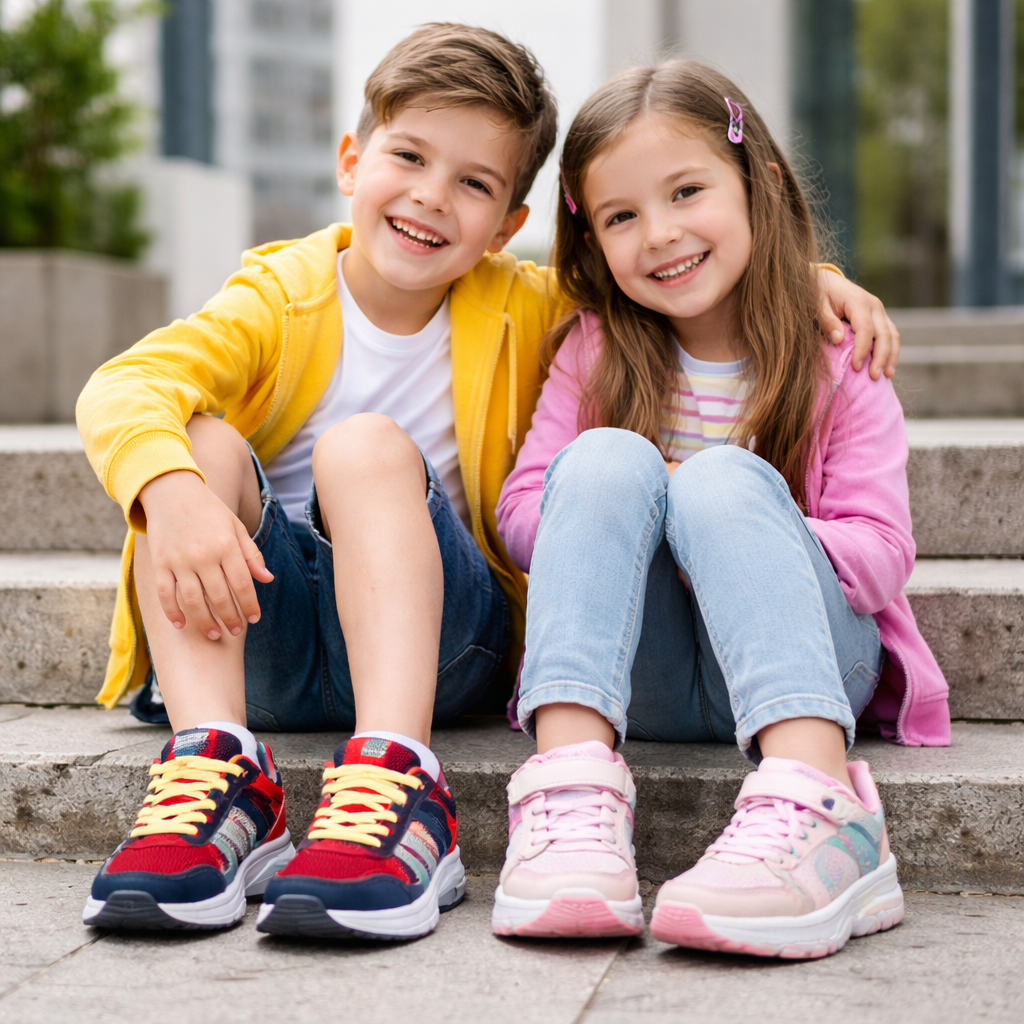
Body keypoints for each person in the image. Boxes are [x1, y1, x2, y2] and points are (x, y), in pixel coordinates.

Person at [76, 24, 899, 942]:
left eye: (474, 183)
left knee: (366, 449)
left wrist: (811, 277)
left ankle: (396, 776)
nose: (432, 199)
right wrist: (176, 492)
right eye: (411, 158)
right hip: (259, 618)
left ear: (511, 222)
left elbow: (675, 274)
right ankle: (215, 767)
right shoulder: (279, 300)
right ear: (353, 160)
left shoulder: (533, 305)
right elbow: (124, 386)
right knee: (195, 441)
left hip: (436, 647)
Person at [493, 60, 947, 958]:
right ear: (590, 238)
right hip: (646, 670)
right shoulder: (594, 349)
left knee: (719, 482)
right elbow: (518, 514)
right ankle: (572, 796)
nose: (659, 234)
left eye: (687, 191)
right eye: (621, 216)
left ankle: (821, 810)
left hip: (811, 659)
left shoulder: (835, 354)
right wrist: (632, 515)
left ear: (759, 184)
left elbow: (883, 549)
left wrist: (730, 529)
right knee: (606, 460)